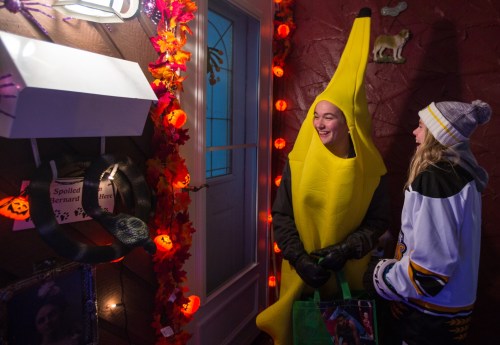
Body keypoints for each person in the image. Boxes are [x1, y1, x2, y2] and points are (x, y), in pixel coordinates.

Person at [256, 8, 389, 345]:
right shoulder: (298, 159)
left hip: (349, 275)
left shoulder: (371, 169)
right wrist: (300, 260)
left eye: (328, 117)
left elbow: (377, 221)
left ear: (350, 122)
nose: (318, 124)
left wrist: (347, 249)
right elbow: (282, 214)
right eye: (316, 115)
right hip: (301, 276)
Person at [365, 99, 492, 344]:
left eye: (421, 126)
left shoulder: (437, 178)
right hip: (449, 309)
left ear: (437, 135)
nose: (415, 131)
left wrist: (380, 275)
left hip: (429, 312)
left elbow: (430, 272)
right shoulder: (461, 172)